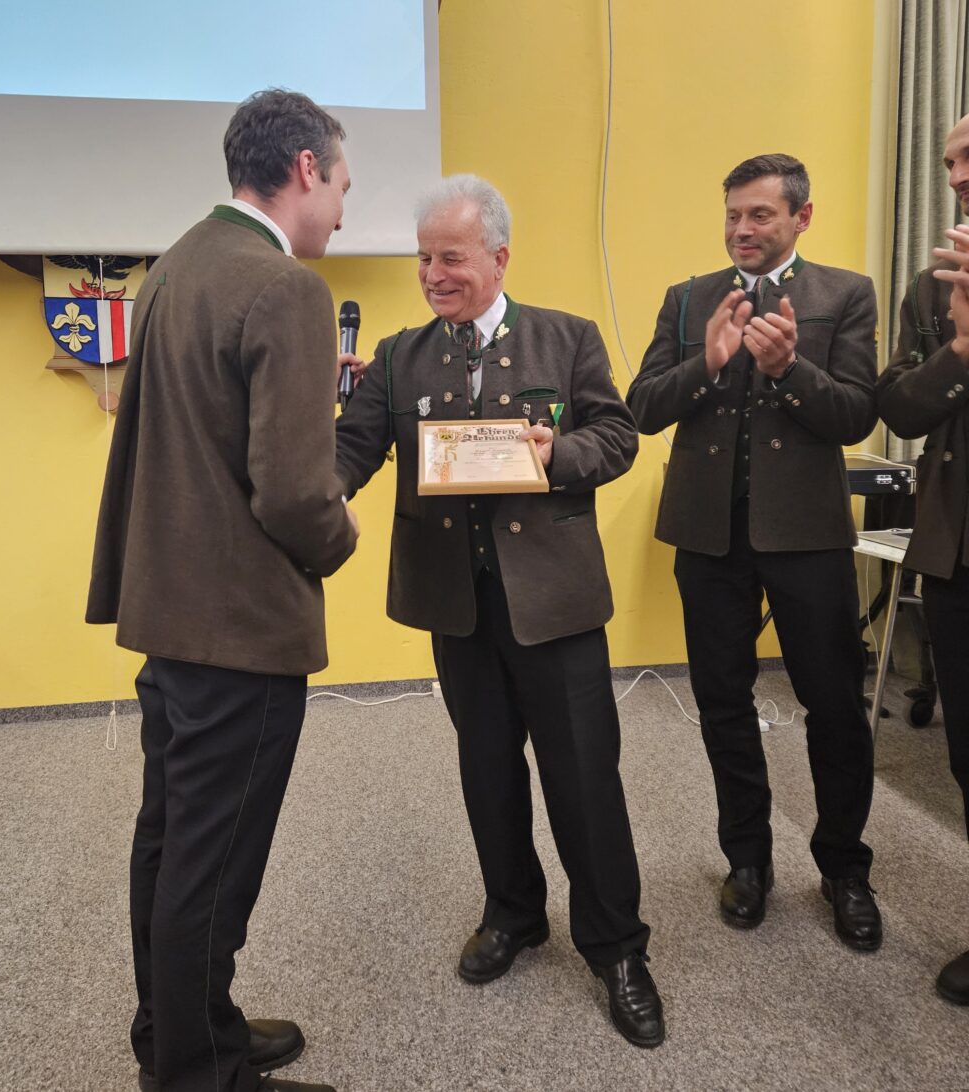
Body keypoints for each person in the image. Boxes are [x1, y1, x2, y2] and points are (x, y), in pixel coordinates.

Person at [334, 174, 665, 1048]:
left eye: (450, 257)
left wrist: (559, 455)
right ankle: (514, 912)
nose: (432, 275)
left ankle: (617, 947)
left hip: (554, 603)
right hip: (457, 605)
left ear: (498, 257)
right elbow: (350, 451)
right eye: (423, 259)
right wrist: (307, 500)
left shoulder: (567, 337)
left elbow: (619, 437)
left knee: (584, 778)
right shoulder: (399, 357)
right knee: (486, 768)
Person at [86, 89, 358, 1092]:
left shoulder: (177, 263)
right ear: (303, 170)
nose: (343, 212)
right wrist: (341, 535)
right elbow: (292, 492)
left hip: (171, 617)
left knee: (170, 845)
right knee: (211, 868)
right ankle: (199, 1075)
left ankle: (180, 1033)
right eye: (342, 186)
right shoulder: (284, 288)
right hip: (241, 632)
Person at [627, 154, 882, 951]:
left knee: (833, 705)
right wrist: (705, 362)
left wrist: (788, 370)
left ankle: (844, 867)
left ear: (802, 217)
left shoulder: (846, 294)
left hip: (806, 536)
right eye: (733, 214)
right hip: (708, 537)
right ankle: (747, 858)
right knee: (723, 703)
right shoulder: (688, 298)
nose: (742, 228)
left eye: (760, 214)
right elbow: (641, 407)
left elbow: (856, 417)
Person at [877, 111, 969, 1004]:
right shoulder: (932, 285)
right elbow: (900, 407)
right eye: (947, 163)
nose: (956, 175)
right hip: (953, 550)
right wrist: (963, 347)